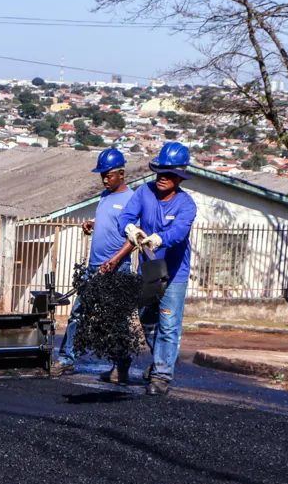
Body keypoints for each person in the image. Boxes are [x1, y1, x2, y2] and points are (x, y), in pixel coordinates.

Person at [102, 142, 198, 397]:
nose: (163, 178)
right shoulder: (144, 192)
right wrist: (130, 229)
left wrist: (159, 239)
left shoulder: (187, 205)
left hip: (174, 273)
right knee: (147, 320)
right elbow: (127, 216)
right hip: (148, 271)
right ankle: (161, 360)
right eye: (160, 172)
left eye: (169, 174)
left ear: (180, 178)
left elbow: (179, 232)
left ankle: (161, 376)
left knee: (168, 324)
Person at [57, 147, 133, 380]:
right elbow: (108, 221)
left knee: (116, 320)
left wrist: (115, 260)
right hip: (94, 267)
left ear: (121, 173)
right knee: (78, 314)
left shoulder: (131, 199)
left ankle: (120, 366)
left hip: (117, 269)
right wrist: (92, 223)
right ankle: (66, 360)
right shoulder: (104, 197)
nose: (104, 180)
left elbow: (134, 238)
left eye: (108, 175)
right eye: (102, 175)